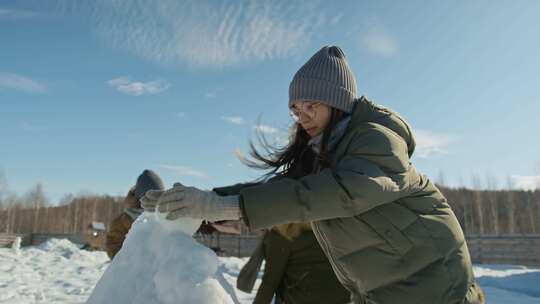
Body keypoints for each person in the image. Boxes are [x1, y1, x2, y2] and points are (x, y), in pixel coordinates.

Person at [142, 46, 485, 304]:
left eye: (311, 106)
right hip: (382, 293)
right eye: (295, 109)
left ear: (337, 103)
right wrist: (204, 199)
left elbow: (341, 192)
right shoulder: (322, 152)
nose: (302, 116)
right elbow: (284, 188)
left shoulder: (376, 138)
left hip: (439, 288)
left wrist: (229, 207)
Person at [251, 223, 350, 304]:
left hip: (301, 298)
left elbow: (270, 282)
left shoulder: (283, 232)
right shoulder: (334, 226)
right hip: (340, 297)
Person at [106, 169, 164, 259]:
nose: (155, 202)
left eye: (158, 197)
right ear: (141, 197)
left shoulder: (166, 217)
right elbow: (113, 247)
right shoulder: (123, 221)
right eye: (152, 197)